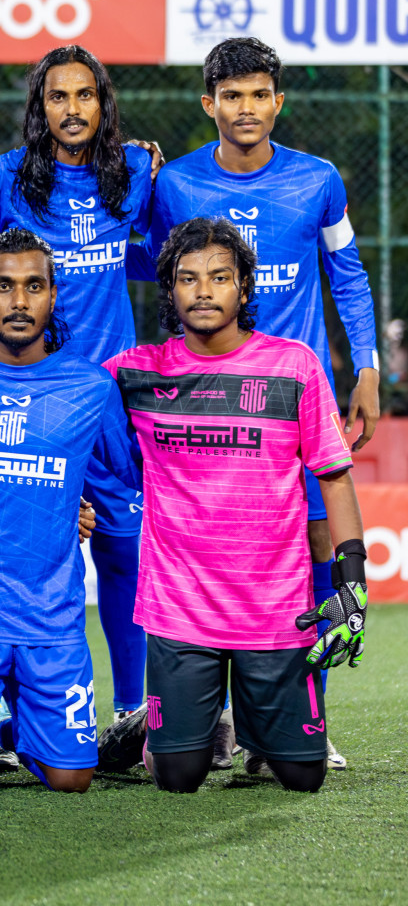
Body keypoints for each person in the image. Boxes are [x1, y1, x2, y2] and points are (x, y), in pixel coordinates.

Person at [140, 38, 376, 770]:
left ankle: (301, 720)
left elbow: (348, 273)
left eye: (258, 95)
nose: (246, 109)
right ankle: (202, 721)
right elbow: (150, 277)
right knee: (208, 552)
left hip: (294, 407)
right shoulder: (174, 185)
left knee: (308, 556)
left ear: (279, 100)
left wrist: (365, 365)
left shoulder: (319, 181)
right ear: (208, 105)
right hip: (206, 407)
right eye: (231, 96)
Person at [100, 217, 363, 794]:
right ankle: (152, 728)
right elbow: (56, 391)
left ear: (245, 288)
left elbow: (336, 479)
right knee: (178, 776)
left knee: (302, 775)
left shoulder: (294, 366)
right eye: (187, 278)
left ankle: (250, 714)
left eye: (219, 277)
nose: (203, 290)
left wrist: (351, 582)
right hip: (179, 606)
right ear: (169, 290)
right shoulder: (135, 372)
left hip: (274, 608)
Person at [0, 45, 155, 725]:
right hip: (22, 393)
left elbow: (159, 258)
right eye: (57, 97)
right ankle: (7, 711)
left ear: (103, 103)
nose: (72, 108)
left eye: (84, 95)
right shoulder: (5, 179)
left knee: (123, 553)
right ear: (40, 108)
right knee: (16, 557)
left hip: (108, 400)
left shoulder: (137, 172)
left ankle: (131, 710)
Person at [0, 228, 138, 794]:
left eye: (34, 286)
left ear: (54, 295)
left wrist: (79, 507)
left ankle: (21, 731)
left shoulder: (91, 386)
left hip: (52, 621)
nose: (19, 302)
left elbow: (132, 477)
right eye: (4, 286)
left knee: (72, 781)